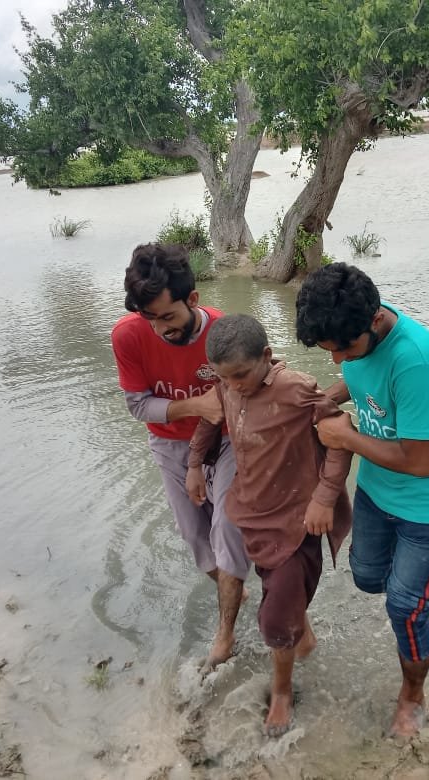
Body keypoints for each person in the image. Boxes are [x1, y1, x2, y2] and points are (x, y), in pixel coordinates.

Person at [294, 262, 429, 739]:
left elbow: (420, 462)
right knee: (368, 578)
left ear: (374, 323)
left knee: (405, 608)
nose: (336, 361)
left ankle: (412, 695)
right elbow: (360, 374)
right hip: (377, 490)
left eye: (341, 350)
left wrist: (346, 437)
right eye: (328, 352)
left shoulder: (416, 359)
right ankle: (417, 602)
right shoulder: (357, 328)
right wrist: (329, 399)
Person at [185, 314, 352, 737]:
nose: (234, 385)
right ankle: (303, 631)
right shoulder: (228, 387)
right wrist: (192, 465)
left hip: (298, 524)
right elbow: (208, 420)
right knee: (277, 592)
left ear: (265, 356)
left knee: (274, 621)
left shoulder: (295, 389)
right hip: (252, 515)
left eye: (241, 375)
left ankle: (281, 692)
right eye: (226, 378)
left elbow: (339, 432)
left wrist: (324, 497)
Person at [111, 243, 251, 668]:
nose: (159, 330)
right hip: (169, 441)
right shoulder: (128, 334)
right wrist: (194, 406)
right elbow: (138, 406)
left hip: (225, 439)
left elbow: (251, 388)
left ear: (193, 300)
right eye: (149, 318)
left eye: (168, 317)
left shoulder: (222, 333)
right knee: (195, 537)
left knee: (226, 531)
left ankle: (224, 634)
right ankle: (234, 587)